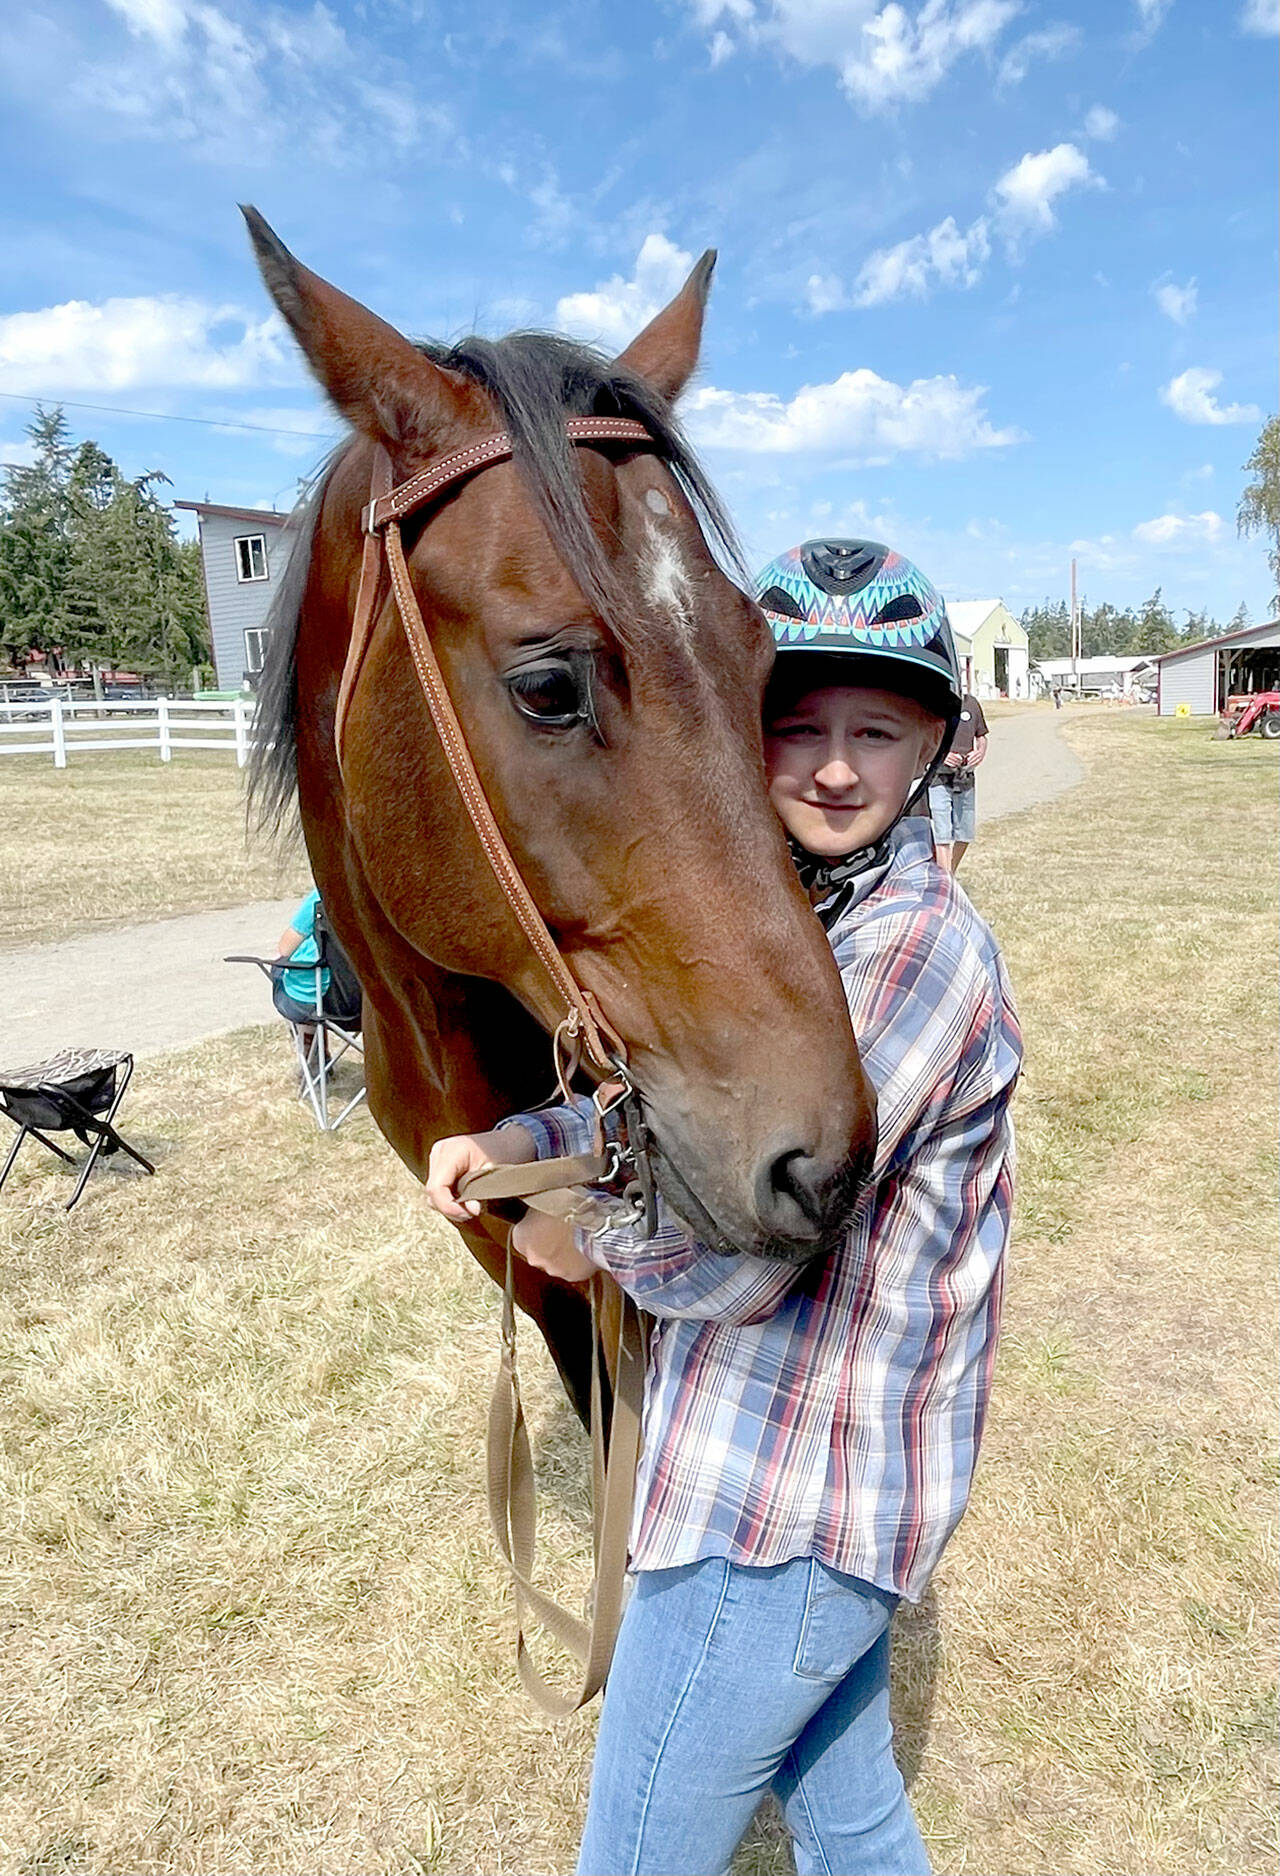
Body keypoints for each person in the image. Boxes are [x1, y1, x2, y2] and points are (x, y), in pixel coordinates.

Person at [425, 538, 1021, 1876]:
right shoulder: (794, 925)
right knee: (852, 1822)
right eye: (796, 725)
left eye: (877, 729)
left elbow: (750, 1246)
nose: (832, 766)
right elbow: (680, 1110)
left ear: (936, 741)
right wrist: (523, 1135)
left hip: (783, 1513)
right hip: (794, 1498)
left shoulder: (910, 949)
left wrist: (585, 1235)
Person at [927, 687, 988, 874]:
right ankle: (945, 881)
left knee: (965, 834)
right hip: (939, 777)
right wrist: (941, 755)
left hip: (965, 778)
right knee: (941, 834)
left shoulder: (972, 704)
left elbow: (982, 736)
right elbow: (924, 737)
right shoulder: (936, 702)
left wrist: (980, 753)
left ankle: (949, 874)